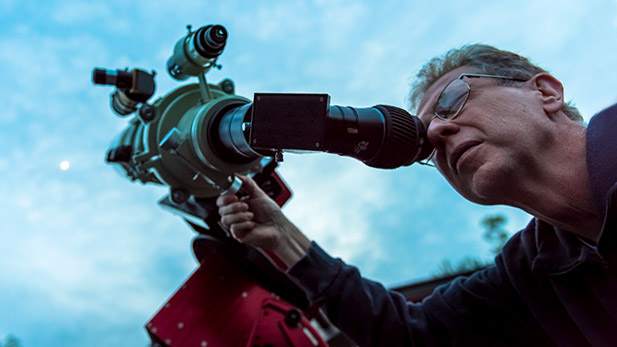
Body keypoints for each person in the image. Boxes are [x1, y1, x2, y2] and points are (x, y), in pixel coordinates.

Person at [217, 44, 617, 346]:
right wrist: (283, 237)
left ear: (546, 92)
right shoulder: (532, 271)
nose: (438, 133)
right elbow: (411, 335)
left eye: (452, 100)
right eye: (426, 143)